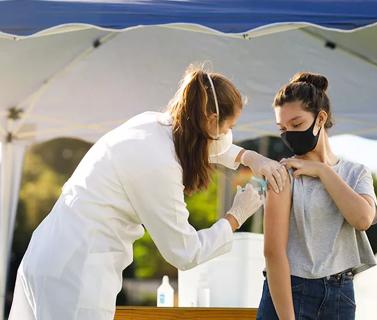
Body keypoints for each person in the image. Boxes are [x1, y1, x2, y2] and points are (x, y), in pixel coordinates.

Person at [8, 65, 288, 320]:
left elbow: (210, 145)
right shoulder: (159, 165)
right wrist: (235, 217)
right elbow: (185, 252)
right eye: (230, 127)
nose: (230, 134)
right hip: (76, 275)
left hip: (44, 257)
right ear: (211, 120)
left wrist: (250, 158)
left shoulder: (151, 124)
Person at [257, 72, 377, 320]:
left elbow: (362, 219)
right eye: (283, 128)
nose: (289, 134)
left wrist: (323, 171)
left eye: (297, 124)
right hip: (290, 292)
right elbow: (273, 253)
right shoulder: (283, 173)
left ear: (320, 118)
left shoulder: (355, 173)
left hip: (341, 295)